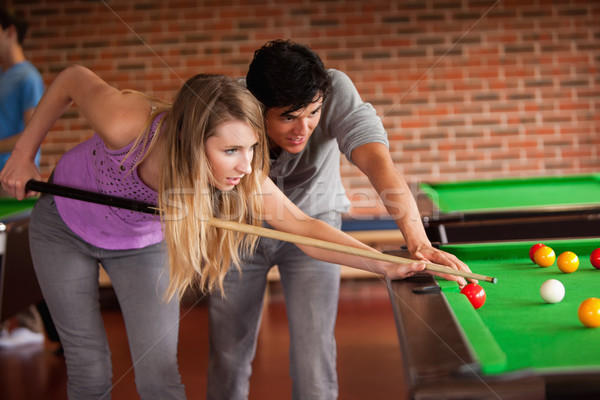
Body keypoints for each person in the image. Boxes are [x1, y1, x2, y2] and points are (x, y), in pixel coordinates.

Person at [0, 63, 458, 399]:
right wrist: (25, 154)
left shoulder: (242, 172)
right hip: (64, 226)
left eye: (253, 149)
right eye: (232, 150)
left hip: (139, 244)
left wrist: (391, 264)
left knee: (158, 376)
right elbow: (73, 78)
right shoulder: (126, 123)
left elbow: (302, 226)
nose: (247, 165)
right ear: (193, 140)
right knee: (92, 370)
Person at [207, 39, 472, 400]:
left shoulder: (334, 89)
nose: (303, 128)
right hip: (240, 232)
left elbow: (380, 165)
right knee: (228, 352)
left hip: (318, 226)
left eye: (313, 113)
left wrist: (418, 241)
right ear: (258, 109)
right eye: (288, 116)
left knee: (314, 351)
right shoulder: (232, 107)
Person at [0, 7, 45, 349]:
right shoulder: (4, 76)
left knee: (22, 256)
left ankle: (31, 326)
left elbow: (33, 131)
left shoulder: (27, 76)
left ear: (10, 31)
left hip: (15, 182)